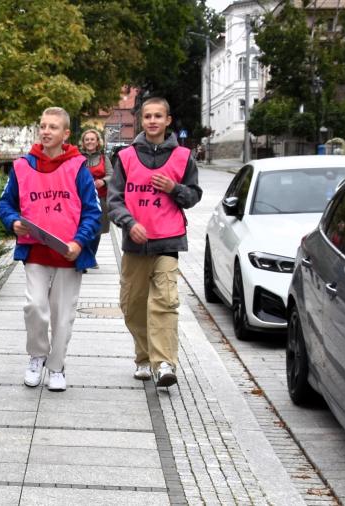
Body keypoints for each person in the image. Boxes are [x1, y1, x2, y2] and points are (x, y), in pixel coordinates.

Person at [0, 107, 101, 392]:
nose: (46, 131)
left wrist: (79, 242)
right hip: (35, 250)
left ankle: (56, 367)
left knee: (62, 314)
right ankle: (37, 355)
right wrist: (13, 221)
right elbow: (5, 204)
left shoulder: (79, 167)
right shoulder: (22, 165)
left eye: (53, 127)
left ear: (66, 133)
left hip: (68, 253)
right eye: (43, 126)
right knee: (34, 306)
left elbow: (93, 212)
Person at [107, 97, 202, 387]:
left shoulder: (184, 157)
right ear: (141, 120)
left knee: (164, 303)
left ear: (168, 120)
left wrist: (175, 189)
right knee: (133, 306)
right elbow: (114, 200)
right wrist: (129, 223)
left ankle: (163, 364)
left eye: (158, 116)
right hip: (135, 243)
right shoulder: (125, 157)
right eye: (147, 116)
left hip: (168, 241)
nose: (152, 121)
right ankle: (144, 357)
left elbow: (194, 196)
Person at [79, 128, 113, 261]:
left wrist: (103, 181)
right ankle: (84, 255)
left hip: (100, 198)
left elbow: (112, 175)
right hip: (81, 198)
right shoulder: (78, 158)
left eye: (92, 139)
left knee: (97, 229)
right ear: (83, 142)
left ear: (97, 141)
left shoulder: (104, 158)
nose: (89, 141)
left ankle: (91, 255)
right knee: (83, 227)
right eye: (87, 139)